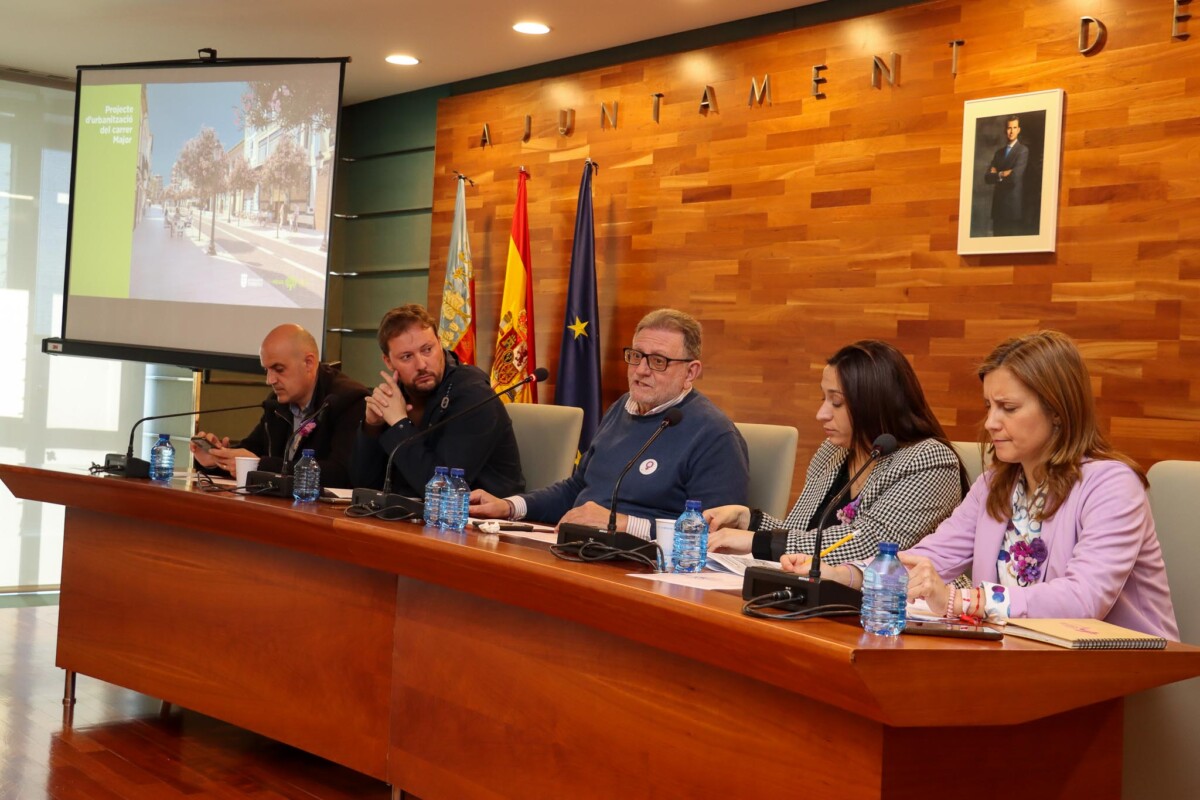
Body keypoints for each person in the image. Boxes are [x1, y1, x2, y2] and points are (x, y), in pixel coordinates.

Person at [783, 331, 1179, 639]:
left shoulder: (1112, 484)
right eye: (989, 406)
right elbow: (929, 556)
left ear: (1058, 412)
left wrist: (963, 600)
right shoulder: (995, 485)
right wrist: (844, 574)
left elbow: (1083, 598)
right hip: (1017, 654)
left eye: (1007, 408)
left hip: (1123, 675)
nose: (990, 422)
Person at [469, 308, 749, 534]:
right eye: (636, 356)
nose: (641, 370)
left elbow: (713, 534)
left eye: (658, 361)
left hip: (646, 573)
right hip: (581, 547)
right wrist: (510, 506)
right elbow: (577, 488)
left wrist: (621, 523)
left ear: (691, 372)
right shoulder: (621, 409)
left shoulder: (714, 434)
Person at [705, 340, 966, 564]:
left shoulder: (929, 460)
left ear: (875, 405)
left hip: (897, 608)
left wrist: (757, 541)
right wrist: (749, 520)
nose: (821, 414)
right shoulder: (833, 452)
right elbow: (805, 534)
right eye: (823, 399)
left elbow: (869, 545)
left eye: (837, 402)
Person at [350, 304, 524, 497]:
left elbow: (442, 491)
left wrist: (400, 424)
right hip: (412, 516)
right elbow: (362, 485)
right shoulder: (395, 395)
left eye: (427, 350)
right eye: (407, 356)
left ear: (440, 343)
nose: (422, 364)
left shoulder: (474, 395)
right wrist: (372, 427)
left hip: (484, 521)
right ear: (388, 361)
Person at [191, 324, 369, 488]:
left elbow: (341, 474)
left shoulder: (348, 400)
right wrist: (217, 459)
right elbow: (252, 451)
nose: (270, 380)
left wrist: (261, 466)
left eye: (279, 369)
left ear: (309, 363)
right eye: (266, 370)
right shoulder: (277, 404)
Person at [984, 115, 1029, 236]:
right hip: (998, 208)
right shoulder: (999, 153)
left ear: (1019, 130)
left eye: (1014, 127)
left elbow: (1014, 178)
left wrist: (996, 174)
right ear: (1005, 130)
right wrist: (1003, 173)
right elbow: (987, 178)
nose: (1011, 131)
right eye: (1009, 128)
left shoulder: (1022, 151)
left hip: (1012, 209)